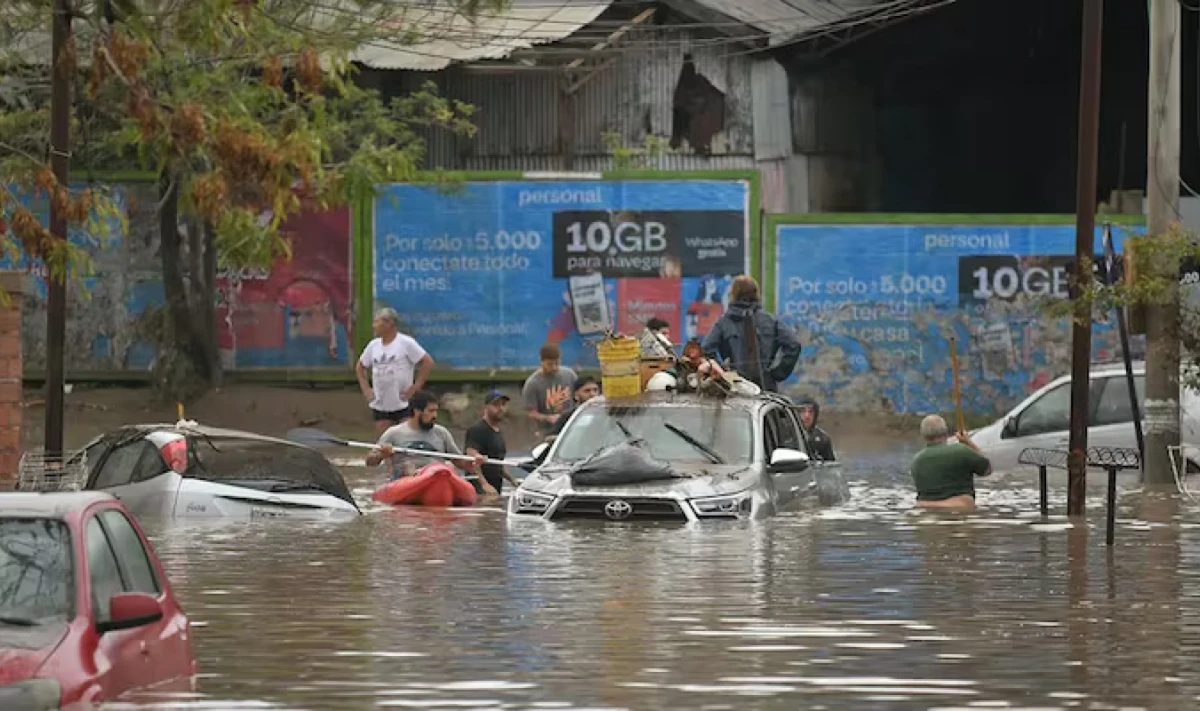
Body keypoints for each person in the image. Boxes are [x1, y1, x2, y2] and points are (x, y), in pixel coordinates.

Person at [701, 275, 801, 393]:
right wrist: (777, 373)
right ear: (756, 293)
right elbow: (793, 344)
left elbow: (706, 349)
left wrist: (723, 373)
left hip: (735, 387)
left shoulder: (724, 322)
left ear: (734, 293)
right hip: (766, 389)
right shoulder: (770, 320)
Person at [366, 390, 483, 481]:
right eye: (431, 411)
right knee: (407, 466)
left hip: (437, 475)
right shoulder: (394, 433)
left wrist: (473, 462)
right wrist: (381, 455)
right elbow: (370, 462)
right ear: (417, 411)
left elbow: (460, 462)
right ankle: (419, 478)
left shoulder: (442, 433)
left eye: (436, 411)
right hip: (406, 477)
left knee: (448, 466)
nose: (435, 415)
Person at [356, 307, 434, 434]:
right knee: (385, 440)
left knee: (406, 437)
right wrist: (366, 389)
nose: (374, 326)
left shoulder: (406, 342)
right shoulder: (373, 345)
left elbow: (427, 362)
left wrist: (416, 386)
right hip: (381, 401)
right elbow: (360, 367)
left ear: (389, 323)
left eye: (377, 322)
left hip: (403, 401)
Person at [909, 414, 992, 511]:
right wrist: (969, 443)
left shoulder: (916, 461)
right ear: (946, 432)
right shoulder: (961, 451)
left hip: (925, 510)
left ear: (923, 436)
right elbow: (987, 469)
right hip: (960, 509)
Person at [464, 391, 521, 497]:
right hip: (479, 490)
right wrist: (484, 484)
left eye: (503, 405)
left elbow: (498, 463)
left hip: (495, 488)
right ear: (486, 407)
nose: (501, 409)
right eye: (496, 405)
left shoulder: (498, 432)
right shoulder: (477, 429)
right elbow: (471, 458)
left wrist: (512, 480)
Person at [522, 342, 577, 438]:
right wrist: (548, 418)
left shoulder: (570, 375)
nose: (554, 367)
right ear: (541, 361)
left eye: (557, 363)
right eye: (550, 364)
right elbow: (531, 413)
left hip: (570, 429)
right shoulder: (533, 383)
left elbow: (578, 397)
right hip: (547, 432)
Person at [793, 396, 835, 461]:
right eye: (803, 411)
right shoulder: (786, 436)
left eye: (810, 412)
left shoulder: (823, 439)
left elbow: (830, 465)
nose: (807, 416)